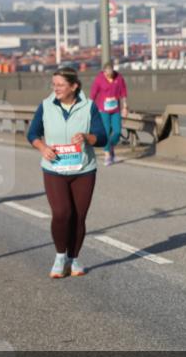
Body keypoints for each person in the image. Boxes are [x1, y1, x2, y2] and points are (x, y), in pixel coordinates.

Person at [27, 67, 107, 278]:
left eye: (60, 85)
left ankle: (74, 258)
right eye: (54, 85)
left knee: (79, 217)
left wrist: (87, 137)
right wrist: (43, 148)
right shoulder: (45, 106)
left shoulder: (89, 107)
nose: (56, 89)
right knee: (62, 213)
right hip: (54, 169)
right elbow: (32, 133)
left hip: (83, 169)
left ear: (74, 86)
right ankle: (60, 256)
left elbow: (103, 136)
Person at [89, 61, 128, 165]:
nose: (107, 75)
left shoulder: (119, 78)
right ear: (104, 71)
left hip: (115, 109)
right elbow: (93, 94)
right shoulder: (99, 79)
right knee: (106, 132)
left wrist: (125, 107)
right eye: (106, 73)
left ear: (113, 71)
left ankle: (109, 148)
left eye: (110, 73)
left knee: (117, 131)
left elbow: (123, 93)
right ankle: (107, 155)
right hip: (103, 110)